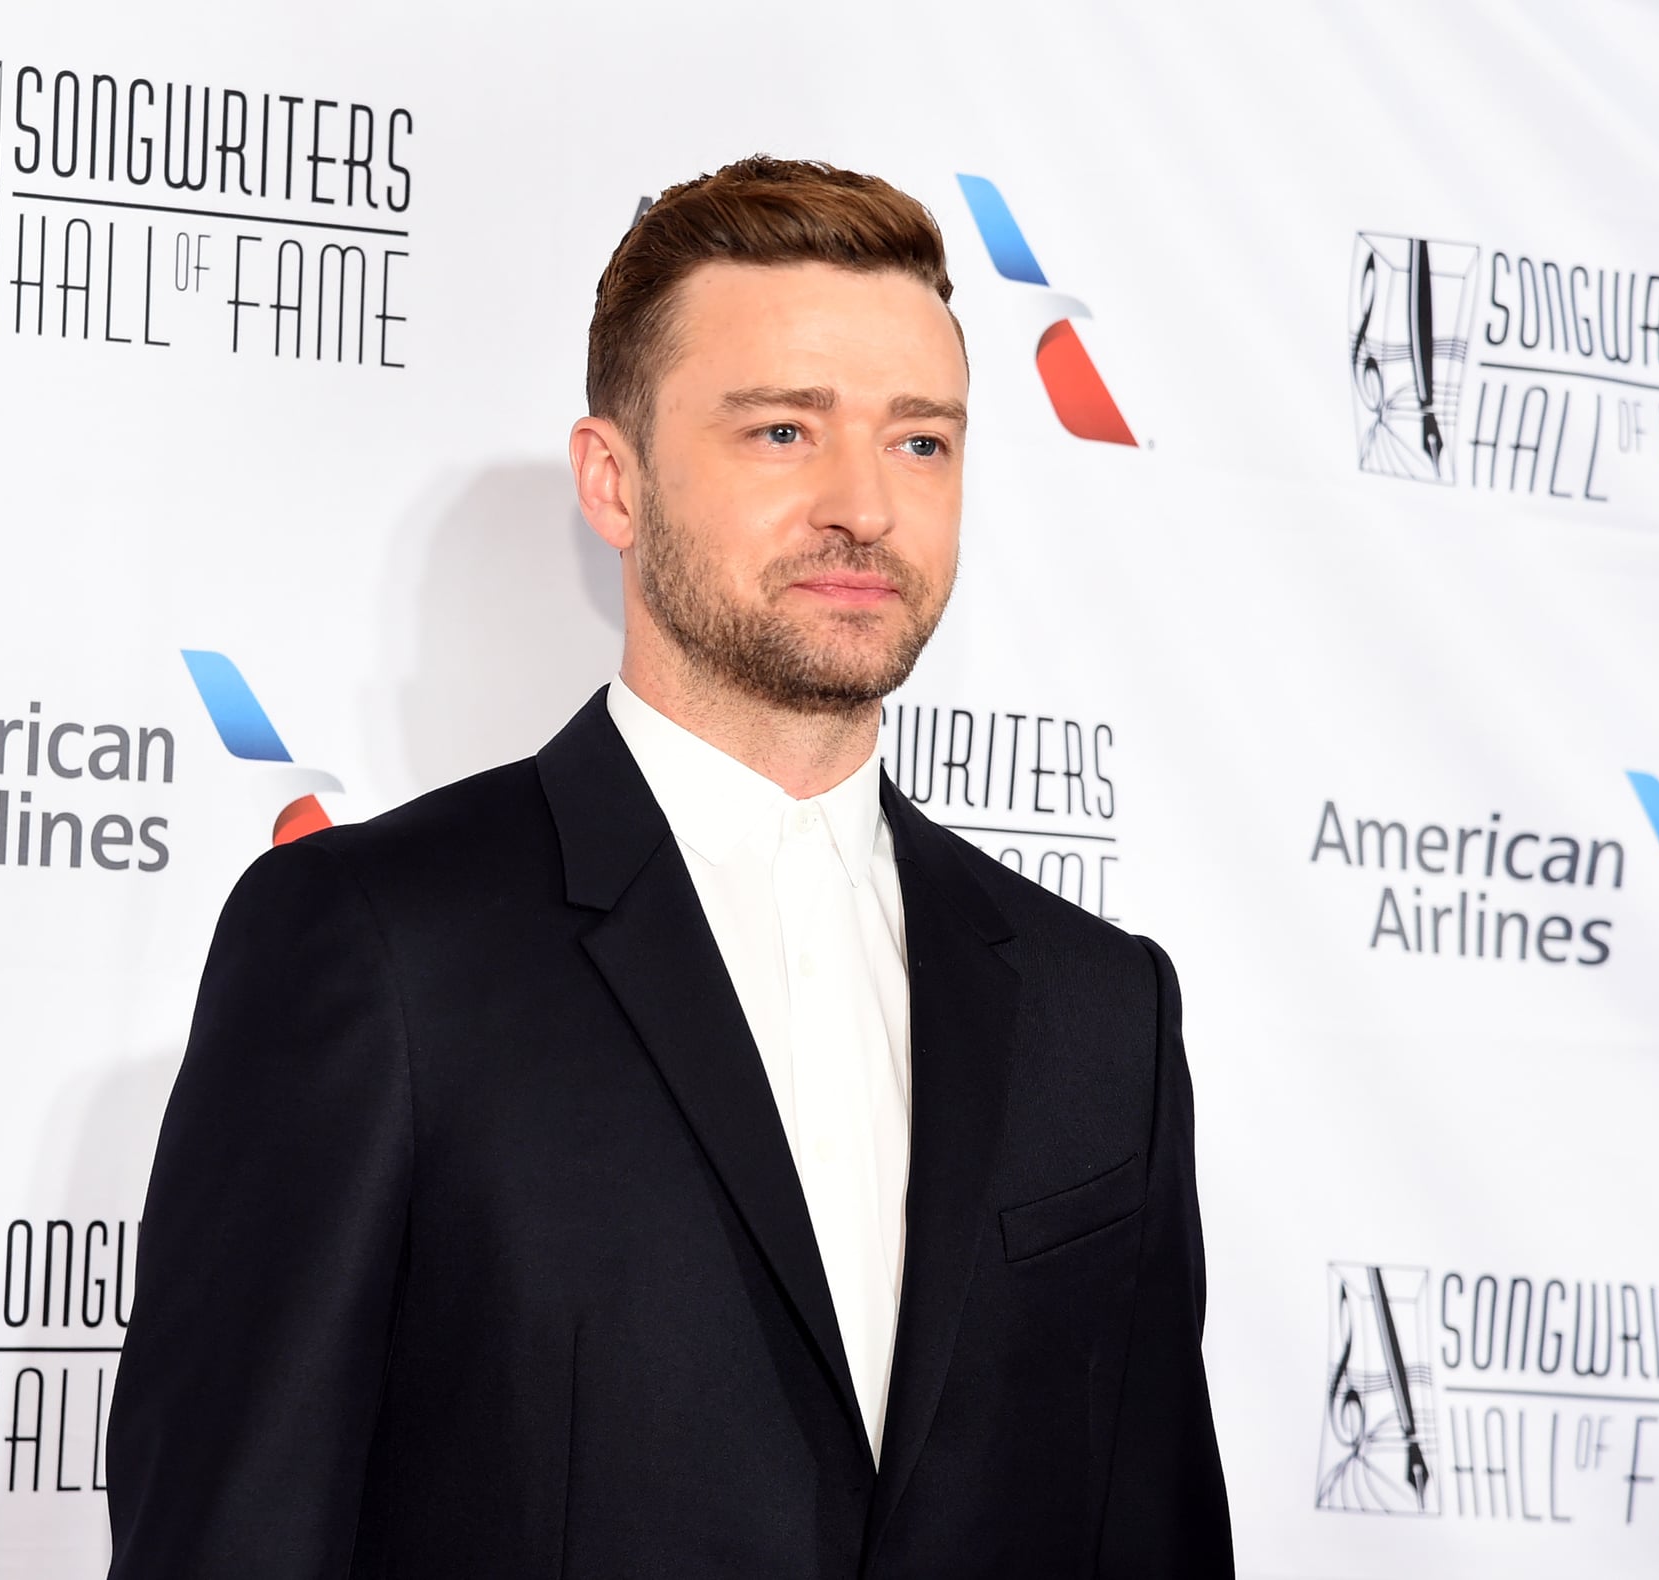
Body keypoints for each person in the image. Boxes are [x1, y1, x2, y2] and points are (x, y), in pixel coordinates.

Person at [106, 155, 1232, 1578]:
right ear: (614, 480)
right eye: (781, 432)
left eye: (921, 442)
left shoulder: (1099, 1010)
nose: (865, 507)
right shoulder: (376, 949)